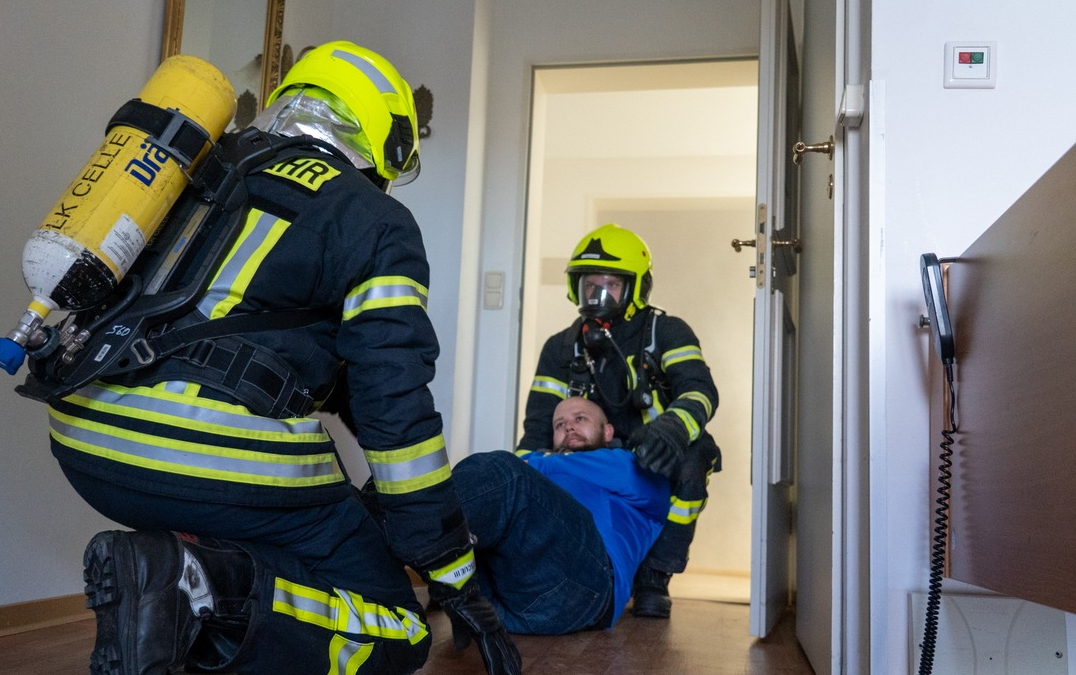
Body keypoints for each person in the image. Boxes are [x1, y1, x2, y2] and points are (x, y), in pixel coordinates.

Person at [46, 42, 519, 675]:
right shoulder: (376, 219)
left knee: (291, 537)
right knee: (399, 627)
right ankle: (198, 582)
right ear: (382, 136)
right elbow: (393, 403)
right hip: (203, 456)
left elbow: (317, 367)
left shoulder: (199, 169)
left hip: (84, 439)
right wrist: (453, 571)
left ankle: (171, 585)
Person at [516, 222, 721, 619]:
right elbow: (539, 424)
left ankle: (654, 576)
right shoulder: (561, 347)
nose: (598, 295)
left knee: (696, 459)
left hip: (656, 452)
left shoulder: (667, 332)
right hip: (591, 458)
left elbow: (700, 390)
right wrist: (519, 476)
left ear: (636, 288)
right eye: (590, 285)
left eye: (611, 285)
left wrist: (673, 429)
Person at [449, 396, 670, 634]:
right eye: (559, 424)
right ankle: (443, 568)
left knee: (503, 470)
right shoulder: (535, 467)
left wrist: (533, 464)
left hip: (586, 590)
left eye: (580, 419)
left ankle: (429, 541)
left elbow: (514, 471)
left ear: (607, 431)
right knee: (481, 470)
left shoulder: (631, 465)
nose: (569, 427)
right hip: (505, 601)